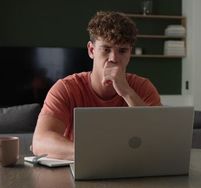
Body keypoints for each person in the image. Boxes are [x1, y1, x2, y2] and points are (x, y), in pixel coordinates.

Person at [32, 11, 162, 160]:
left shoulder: (142, 87)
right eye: (106, 49)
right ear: (91, 50)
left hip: (133, 170)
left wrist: (126, 92)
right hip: (83, 170)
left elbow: (159, 137)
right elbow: (40, 142)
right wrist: (95, 154)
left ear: (129, 53)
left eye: (122, 50)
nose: (113, 58)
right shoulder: (66, 88)